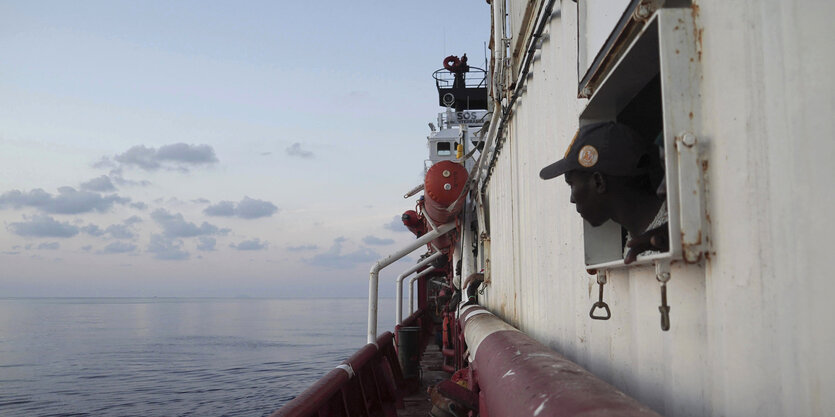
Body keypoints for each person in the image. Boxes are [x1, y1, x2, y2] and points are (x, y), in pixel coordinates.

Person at [539, 121, 668, 264]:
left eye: (571, 184)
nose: (572, 199)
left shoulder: (673, 236)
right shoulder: (638, 237)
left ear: (599, 182)